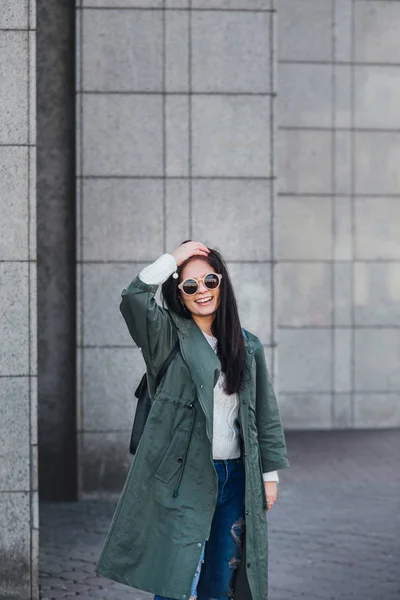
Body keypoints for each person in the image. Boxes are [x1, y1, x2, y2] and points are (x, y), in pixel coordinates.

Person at [95, 240, 290, 600]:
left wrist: (269, 475)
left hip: (234, 478)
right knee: (173, 580)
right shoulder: (166, 336)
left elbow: (264, 415)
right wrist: (175, 257)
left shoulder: (247, 346)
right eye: (190, 284)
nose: (202, 291)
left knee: (221, 581)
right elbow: (134, 297)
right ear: (179, 294)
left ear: (222, 284)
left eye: (210, 280)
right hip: (183, 477)